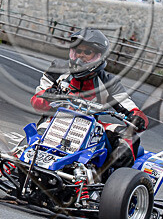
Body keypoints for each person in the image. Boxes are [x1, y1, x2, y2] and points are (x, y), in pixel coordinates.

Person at [31, 29, 149, 175]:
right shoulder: (58, 70)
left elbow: (129, 106)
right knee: (34, 139)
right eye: (78, 51)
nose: (81, 56)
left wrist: (137, 118)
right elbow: (36, 102)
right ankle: (23, 164)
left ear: (98, 56)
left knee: (129, 137)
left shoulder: (108, 82)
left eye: (87, 53)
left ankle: (108, 181)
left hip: (91, 126)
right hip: (56, 121)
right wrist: (49, 96)